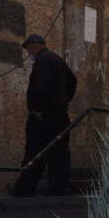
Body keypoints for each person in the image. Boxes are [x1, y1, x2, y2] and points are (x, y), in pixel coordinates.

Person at [12, 34, 76, 197]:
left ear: (34, 45)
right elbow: (73, 81)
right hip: (59, 115)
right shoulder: (57, 59)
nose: (29, 53)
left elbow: (41, 86)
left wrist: (39, 109)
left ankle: (24, 190)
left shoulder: (43, 60)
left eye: (28, 49)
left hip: (44, 117)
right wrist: (64, 101)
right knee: (59, 153)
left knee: (35, 152)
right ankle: (59, 189)